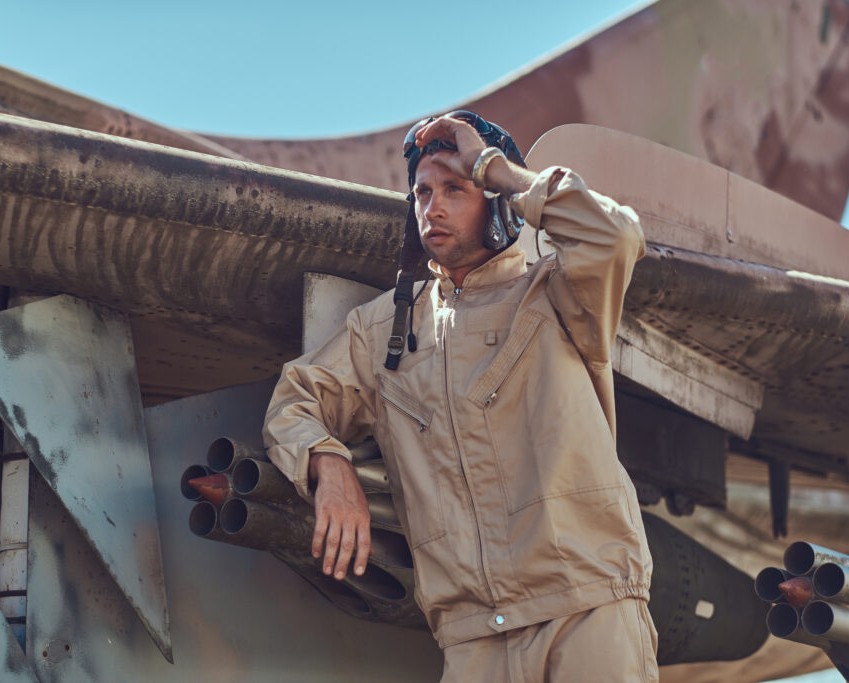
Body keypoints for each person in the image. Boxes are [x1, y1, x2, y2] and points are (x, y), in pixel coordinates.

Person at [263, 111, 658, 682]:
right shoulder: (384, 332)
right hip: (474, 640)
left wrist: (493, 167)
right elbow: (293, 400)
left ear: (494, 201)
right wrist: (327, 461)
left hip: (586, 609)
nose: (433, 208)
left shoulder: (556, 294)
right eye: (422, 193)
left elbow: (616, 234)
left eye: (455, 189)